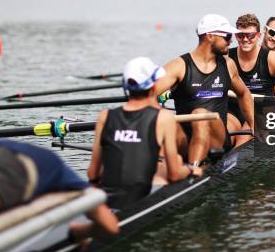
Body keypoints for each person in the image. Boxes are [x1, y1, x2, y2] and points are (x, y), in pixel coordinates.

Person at [86, 57, 202, 211]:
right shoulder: (164, 117)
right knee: (177, 161)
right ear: (154, 86)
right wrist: (191, 170)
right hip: (140, 196)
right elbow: (174, 174)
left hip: (107, 196)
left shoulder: (105, 116)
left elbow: (93, 174)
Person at [155, 14, 255, 166]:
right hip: (184, 138)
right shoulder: (178, 66)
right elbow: (146, 96)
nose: (232, 41)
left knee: (200, 115)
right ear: (210, 36)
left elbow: (243, 94)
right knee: (164, 119)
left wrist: (254, 127)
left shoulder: (228, 65)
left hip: (218, 140)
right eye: (227, 36)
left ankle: (194, 171)